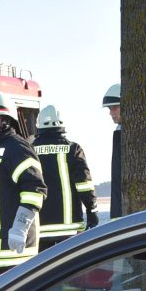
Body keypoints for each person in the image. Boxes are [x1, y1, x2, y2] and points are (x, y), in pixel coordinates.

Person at [0, 92, 47, 284]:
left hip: (12, 249)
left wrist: (20, 227)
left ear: (8, 120)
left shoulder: (17, 148)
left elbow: (34, 189)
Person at [32, 105, 98, 248]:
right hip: (70, 228)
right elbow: (84, 183)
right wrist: (91, 210)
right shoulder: (73, 149)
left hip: (39, 227)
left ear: (39, 126)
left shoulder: (29, 150)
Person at [102, 83, 123, 218]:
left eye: (114, 107)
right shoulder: (119, 131)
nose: (111, 113)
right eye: (110, 109)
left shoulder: (127, 133)